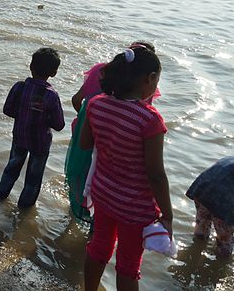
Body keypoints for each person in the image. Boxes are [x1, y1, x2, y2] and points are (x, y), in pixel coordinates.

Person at [80, 46, 172, 290]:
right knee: (129, 264)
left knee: (99, 247)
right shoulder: (150, 119)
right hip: (134, 207)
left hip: (103, 193)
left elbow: (85, 144)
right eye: (157, 81)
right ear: (149, 79)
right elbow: (156, 175)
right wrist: (168, 216)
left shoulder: (97, 104)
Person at [66, 42, 160, 224]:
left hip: (90, 133)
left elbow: (77, 100)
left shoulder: (99, 87)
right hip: (116, 146)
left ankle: (76, 216)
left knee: (81, 176)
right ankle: (91, 225)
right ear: (150, 76)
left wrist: (92, 121)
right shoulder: (145, 88)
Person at [0, 48, 64, 207]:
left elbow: (7, 109)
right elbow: (59, 125)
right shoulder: (51, 95)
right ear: (54, 73)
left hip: (20, 136)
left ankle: (0, 196)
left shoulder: (19, 87)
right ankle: (24, 207)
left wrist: (23, 114)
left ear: (31, 66)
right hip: (40, 142)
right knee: (34, 176)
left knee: (12, 167)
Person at [186, 157, 234, 259]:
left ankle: (194, 254)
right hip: (222, 198)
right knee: (224, 240)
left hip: (202, 189)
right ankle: (220, 268)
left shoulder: (230, 159)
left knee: (201, 226)